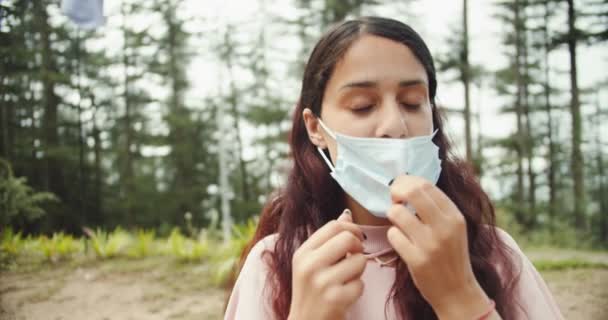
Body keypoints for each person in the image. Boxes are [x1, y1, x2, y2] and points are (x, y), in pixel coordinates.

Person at [224, 17, 564, 320]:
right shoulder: (275, 263)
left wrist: (461, 297)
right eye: (363, 106)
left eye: (412, 102)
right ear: (315, 127)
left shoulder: (492, 253)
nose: (395, 125)